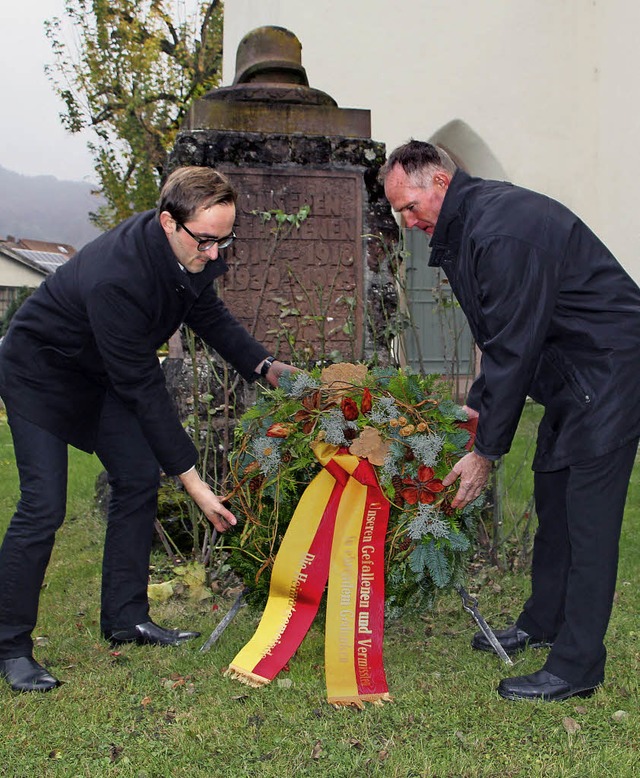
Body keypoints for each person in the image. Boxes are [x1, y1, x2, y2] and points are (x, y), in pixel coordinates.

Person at [0, 166, 292, 692]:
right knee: (44, 504)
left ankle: (126, 618)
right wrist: (196, 483)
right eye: (206, 240)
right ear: (167, 223)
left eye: (226, 240)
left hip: (100, 373)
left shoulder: (191, 251)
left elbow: (211, 316)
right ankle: (10, 646)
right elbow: (142, 388)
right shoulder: (119, 277)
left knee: (135, 477)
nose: (216, 254)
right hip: (39, 373)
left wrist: (264, 366)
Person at [380, 140, 640, 702]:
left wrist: (486, 452)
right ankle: (542, 622)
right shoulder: (475, 224)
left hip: (611, 372)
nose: (406, 221)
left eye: (408, 206)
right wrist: (478, 408)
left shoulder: (499, 232)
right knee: (553, 496)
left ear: (440, 185)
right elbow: (506, 337)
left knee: (588, 523)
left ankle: (576, 667)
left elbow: (513, 348)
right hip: (574, 375)